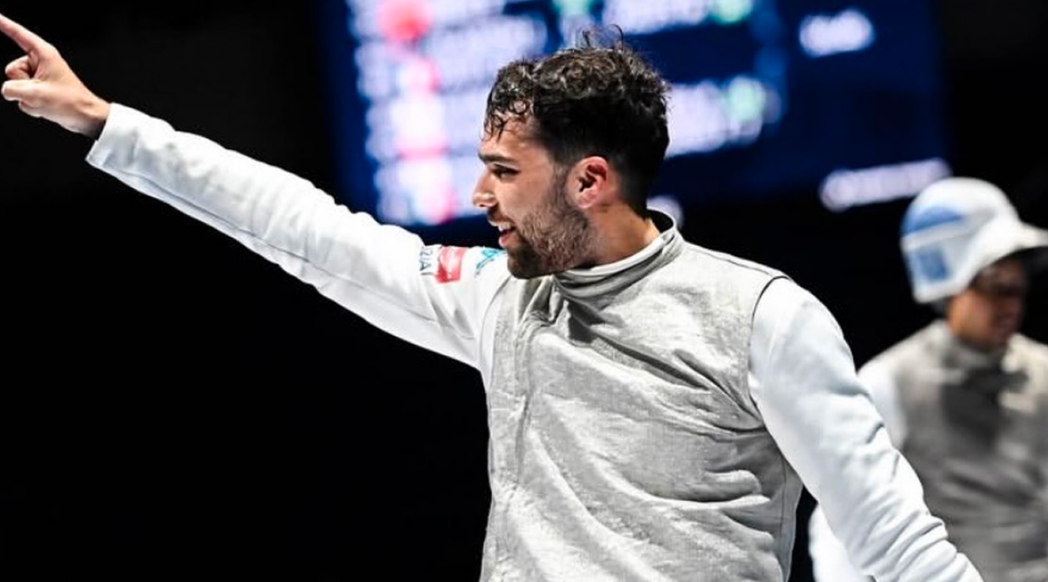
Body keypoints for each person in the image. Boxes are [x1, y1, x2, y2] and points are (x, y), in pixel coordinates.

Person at [0, 12, 984, 582]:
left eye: (505, 172)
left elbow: (895, 541)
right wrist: (109, 126)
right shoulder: (500, 303)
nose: (480, 196)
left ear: (590, 179)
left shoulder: (762, 318)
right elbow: (304, 229)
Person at [808, 176, 1048, 582]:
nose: (1010, 305)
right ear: (948, 285)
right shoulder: (891, 382)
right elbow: (841, 520)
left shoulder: (1044, 371)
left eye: (1016, 288)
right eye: (994, 287)